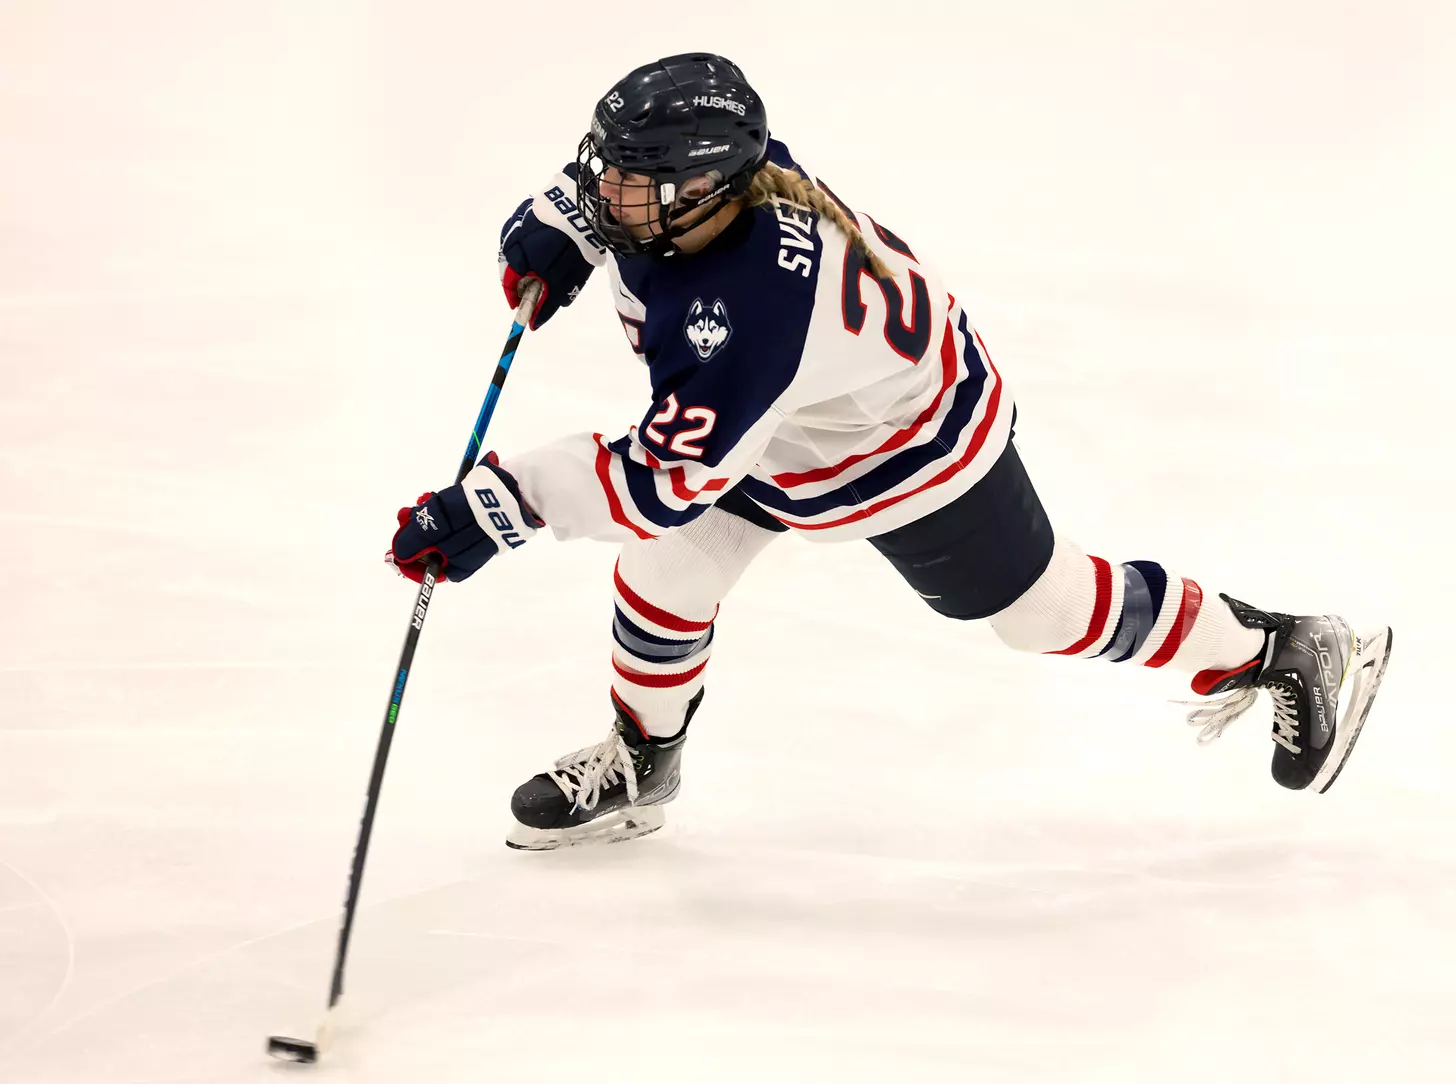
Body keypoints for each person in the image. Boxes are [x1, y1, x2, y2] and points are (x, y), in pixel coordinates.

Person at [388, 53, 1393, 851]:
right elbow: (627, 202)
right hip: (784, 426)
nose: (609, 190)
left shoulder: (741, 311)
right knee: (662, 576)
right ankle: (646, 762)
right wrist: (574, 222)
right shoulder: (725, 173)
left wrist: (495, 504)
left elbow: (660, 477)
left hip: (909, 444)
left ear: (701, 190)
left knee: (1039, 615)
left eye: (630, 183)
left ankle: (1279, 645)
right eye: (603, 167)